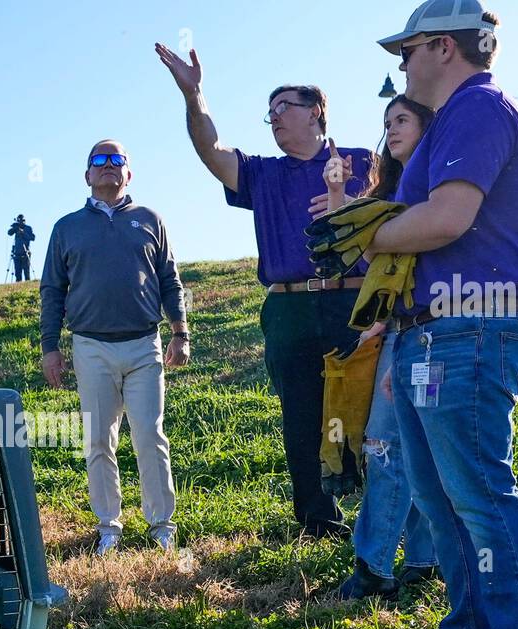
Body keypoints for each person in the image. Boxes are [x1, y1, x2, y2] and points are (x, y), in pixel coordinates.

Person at [367, 1, 518, 629]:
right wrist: (401, 338)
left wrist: (368, 236)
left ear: (442, 47)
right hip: (434, 329)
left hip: (472, 325)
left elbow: (447, 219)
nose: (402, 66)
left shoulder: (478, 108)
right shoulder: (453, 121)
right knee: (440, 494)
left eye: (407, 51)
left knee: (477, 491)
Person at [156, 42, 373, 539]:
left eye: (284, 108)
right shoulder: (263, 173)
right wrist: (195, 96)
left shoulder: (362, 161)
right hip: (288, 306)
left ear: (316, 111)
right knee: (301, 415)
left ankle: (383, 513)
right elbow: (211, 150)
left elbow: (398, 216)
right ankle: (317, 520)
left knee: (367, 409)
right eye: (269, 112)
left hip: (353, 299)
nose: (274, 118)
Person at [40, 140, 188, 556]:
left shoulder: (149, 220)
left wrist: (181, 332)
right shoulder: (66, 227)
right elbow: (52, 289)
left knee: (149, 435)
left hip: (145, 345)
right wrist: (50, 347)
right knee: (98, 441)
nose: (108, 166)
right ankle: (109, 527)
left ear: (129, 173)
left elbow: (170, 281)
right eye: (99, 161)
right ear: (87, 175)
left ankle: (162, 526)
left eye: (117, 160)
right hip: (91, 347)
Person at [320, 95, 439, 599]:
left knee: (392, 443)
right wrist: (336, 189)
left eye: (403, 120)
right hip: (397, 330)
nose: (391, 129)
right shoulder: (392, 189)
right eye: (387, 121)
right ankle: (421, 558)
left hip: (432, 333)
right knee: (403, 443)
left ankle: (376, 567)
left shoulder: (441, 189)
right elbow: (351, 240)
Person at [8, 214, 35, 281]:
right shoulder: (16, 228)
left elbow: (32, 238)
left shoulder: (28, 228)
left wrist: (23, 232)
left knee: (26, 272)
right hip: (17, 253)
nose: (21, 222)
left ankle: (28, 286)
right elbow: (9, 233)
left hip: (25, 253)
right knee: (17, 273)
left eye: (23, 220)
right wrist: (15, 228)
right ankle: (18, 285)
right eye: (20, 221)